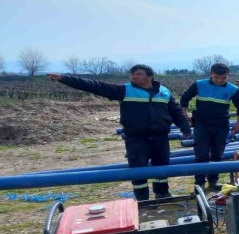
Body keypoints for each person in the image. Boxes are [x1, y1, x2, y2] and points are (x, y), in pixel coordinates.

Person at [48, 65, 191, 200]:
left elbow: (176, 112)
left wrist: (185, 128)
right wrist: (64, 78)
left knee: (161, 167)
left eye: (138, 74)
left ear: (150, 77)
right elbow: (95, 86)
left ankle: (162, 193)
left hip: (160, 137)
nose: (134, 76)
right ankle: (142, 199)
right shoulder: (125, 90)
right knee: (137, 169)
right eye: (133, 74)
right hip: (137, 138)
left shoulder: (164, 92)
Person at [180, 63, 239, 191]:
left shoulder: (232, 89)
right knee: (201, 154)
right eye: (216, 77)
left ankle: (213, 181)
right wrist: (185, 113)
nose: (219, 80)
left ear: (227, 76)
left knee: (217, 154)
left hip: (221, 125)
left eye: (223, 78)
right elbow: (185, 98)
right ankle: (199, 184)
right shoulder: (199, 84)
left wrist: (238, 124)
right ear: (211, 74)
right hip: (202, 124)